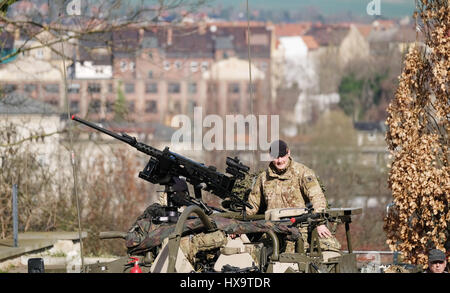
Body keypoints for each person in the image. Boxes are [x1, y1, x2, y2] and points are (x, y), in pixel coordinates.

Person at [246, 140, 340, 253]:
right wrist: (236, 227)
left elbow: (317, 198)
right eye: (276, 157)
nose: (280, 160)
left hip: (297, 232)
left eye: (282, 156)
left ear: (288, 153)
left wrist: (319, 223)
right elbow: (252, 206)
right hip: (272, 232)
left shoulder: (302, 173)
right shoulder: (263, 178)